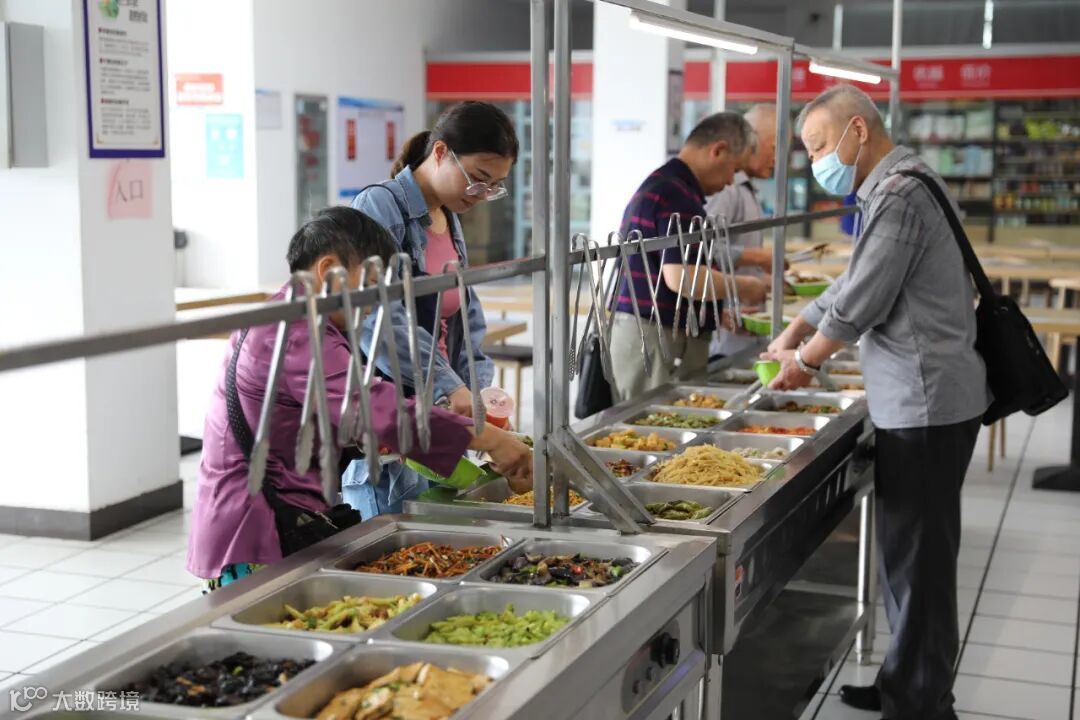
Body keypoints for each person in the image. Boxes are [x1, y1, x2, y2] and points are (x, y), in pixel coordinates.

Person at [762, 85, 989, 720]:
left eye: (817, 148)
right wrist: (797, 326)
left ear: (857, 130)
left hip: (926, 403)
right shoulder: (894, 185)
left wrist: (806, 361)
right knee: (907, 557)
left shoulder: (900, 194)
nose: (815, 163)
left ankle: (919, 704)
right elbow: (853, 278)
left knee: (919, 564)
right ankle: (906, 684)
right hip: (920, 399)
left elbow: (863, 299)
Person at [188, 207, 532, 590]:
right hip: (254, 531)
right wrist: (493, 440)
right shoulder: (295, 334)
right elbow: (378, 410)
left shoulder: (297, 318)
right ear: (329, 271)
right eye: (370, 286)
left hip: (271, 515)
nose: (373, 305)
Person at [343, 101, 519, 517]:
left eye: (494, 186)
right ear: (440, 152)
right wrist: (449, 387)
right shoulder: (379, 206)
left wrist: (477, 393)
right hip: (394, 416)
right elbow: (377, 319)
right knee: (392, 538)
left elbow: (465, 316)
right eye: (478, 179)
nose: (482, 195)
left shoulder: (448, 215)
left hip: (437, 414)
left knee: (437, 535)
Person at [609, 111, 775, 402]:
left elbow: (668, 273)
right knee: (655, 422)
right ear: (718, 150)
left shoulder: (670, 186)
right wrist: (745, 286)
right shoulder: (677, 196)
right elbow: (682, 278)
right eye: (733, 169)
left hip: (652, 331)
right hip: (653, 336)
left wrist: (710, 313)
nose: (729, 182)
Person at [705, 104, 780, 359]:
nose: (778, 158)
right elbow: (703, 251)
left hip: (744, 336)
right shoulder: (727, 190)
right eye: (774, 148)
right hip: (723, 339)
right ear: (753, 141)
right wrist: (758, 257)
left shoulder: (747, 189)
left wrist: (767, 280)